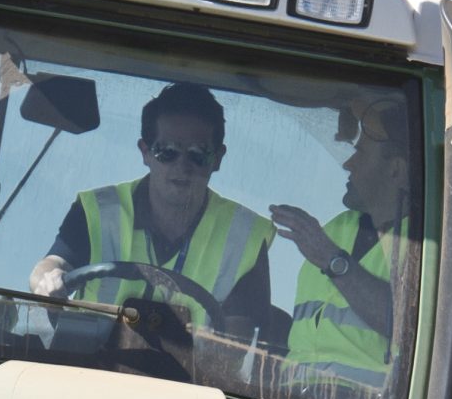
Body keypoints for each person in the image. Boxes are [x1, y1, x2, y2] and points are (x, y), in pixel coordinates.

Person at [28, 82, 274, 335]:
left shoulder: (246, 236)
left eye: (198, 154)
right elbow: (50, 266)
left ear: (218, 159)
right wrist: (48, 281)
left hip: (188, 375)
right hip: (86, 370)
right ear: (145, 152)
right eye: (167, 152)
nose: (182, 166)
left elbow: (234, 345)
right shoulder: (98, 210)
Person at [271, 96, 412, 390]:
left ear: (395, 169)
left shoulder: (425, 245)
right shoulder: (336, 229)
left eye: (360, 152)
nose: (348, 163)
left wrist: (332, 260)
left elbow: (408, 326)